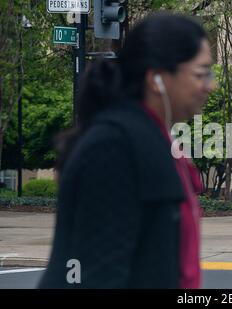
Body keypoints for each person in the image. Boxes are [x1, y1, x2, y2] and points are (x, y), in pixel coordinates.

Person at [39, 13, 215, 288]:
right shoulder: (112, 147)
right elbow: (97, 275)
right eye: (201, 73)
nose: (210, 85)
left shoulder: (155, 140)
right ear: (156, 78)